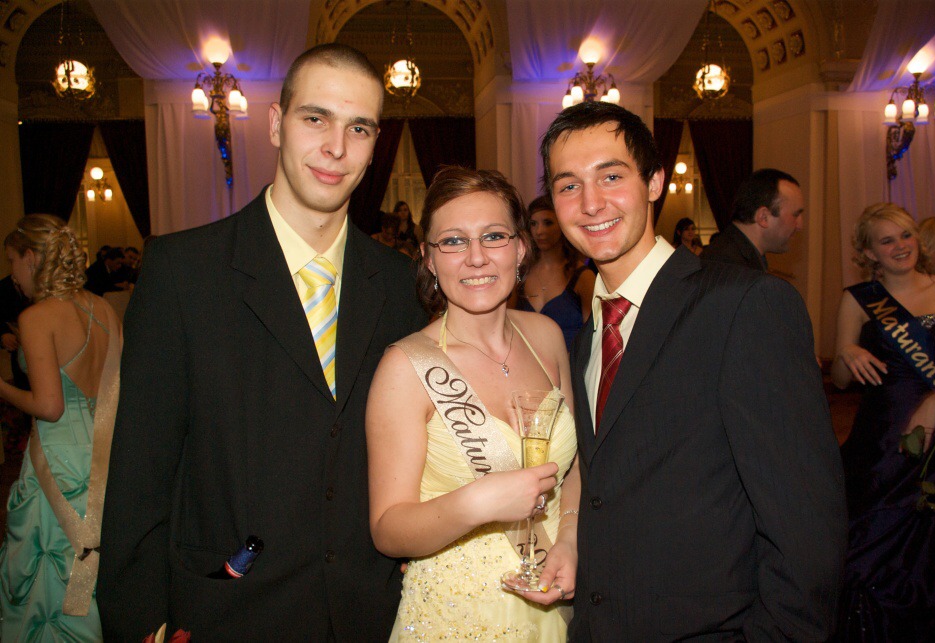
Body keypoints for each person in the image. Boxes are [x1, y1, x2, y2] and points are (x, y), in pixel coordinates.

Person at [97, 44, 428, 639]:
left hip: (371, 613)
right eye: (315, 118)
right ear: (276, 124)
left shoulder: (401, 284)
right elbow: (139, 473)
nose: (336, 147)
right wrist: (139, 620)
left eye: (358, 128)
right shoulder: (182, 272)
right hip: (228, 610)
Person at [540, 101, 846, 641]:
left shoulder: (744, 305)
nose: (590, 203)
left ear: (654, 182)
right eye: (568, 186)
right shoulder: (591, 332)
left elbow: (805, 526)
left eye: (611, 176)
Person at [367, 167, 580, 640]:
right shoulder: (405, 368)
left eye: (494, 236)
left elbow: (575, 466)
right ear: (428, 259)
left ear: (520, 248)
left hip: (554, 608)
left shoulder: (547, 337)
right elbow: (387, 529)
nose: (477, 257)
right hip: (454, 619)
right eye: (454, 241)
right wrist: (477, 501)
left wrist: (569, 538)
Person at [831, 203, 935, 641]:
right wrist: (847, 353)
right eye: (886, 241)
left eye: (905, 235)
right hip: (879, 441)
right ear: (869, 252)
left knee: (928, 551)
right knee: (866, 542)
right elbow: (841, 380)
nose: (900, 246)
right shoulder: (857, 298)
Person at [0, 214, 122, 640]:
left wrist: (1, 387)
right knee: (93, 570)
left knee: (49, 581)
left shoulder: (37, 317)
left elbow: (49, 407)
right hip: (105, 456)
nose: (12, 273)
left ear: (31, 258)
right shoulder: (105, 308)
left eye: (12, 261)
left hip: (56, 463)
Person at [516, 195, 595, 351]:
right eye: (533, 224)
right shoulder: (521, 274)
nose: (539, 231)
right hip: (527, 362)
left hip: (571, 364)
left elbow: (593, 337)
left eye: (548, 223)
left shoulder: (583, 276)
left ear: (562, 225)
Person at [701, 168, 804, 271]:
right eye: (795, 215)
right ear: (764, 217)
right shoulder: (728, 265)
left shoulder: (738, 256)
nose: (800, 225)